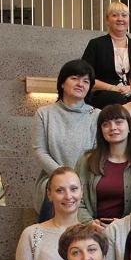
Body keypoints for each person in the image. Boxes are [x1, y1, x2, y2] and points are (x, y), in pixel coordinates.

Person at [31, 59, 98, 215]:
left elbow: (97, 151)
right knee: (59, 191)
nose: (80, 84)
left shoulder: (96, 115)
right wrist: (63, 176)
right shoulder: (44, 113)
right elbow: (39, 150)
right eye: (74, 78)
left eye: (86, 81)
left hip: (86, 180)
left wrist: (77, 180)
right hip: (53, 177)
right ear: (62, 83)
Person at [75, 104, 131, 228]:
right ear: (101, 131)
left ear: (129, 127)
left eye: (119, 122)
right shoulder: (86, 160)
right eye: (106, 124)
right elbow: (77, 198)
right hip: (90, 231)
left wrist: (123, 225)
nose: (112, 128)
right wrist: (89, 223)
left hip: (129, 231)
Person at [81, 2, 131, 109]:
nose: (120, 19)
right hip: (105, 94)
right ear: (107, 20)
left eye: (124, 15)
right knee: (117, 99)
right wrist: (112, 88)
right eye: (115, 15)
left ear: (128, 19)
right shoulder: (96, 45)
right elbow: (85, 76)